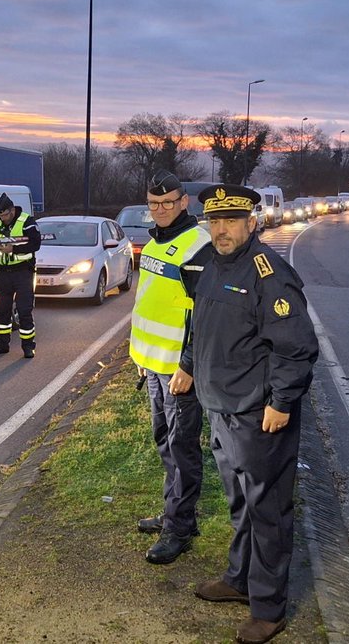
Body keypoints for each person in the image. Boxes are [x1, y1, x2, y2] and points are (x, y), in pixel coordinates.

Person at [170, 184, 319, 644]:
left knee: (268, 509)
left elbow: (296, 347)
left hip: (258, 415)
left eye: (231, 221)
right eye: (215, 221)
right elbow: (200, 325)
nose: (221, 229)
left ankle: (269, 608)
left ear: (251, 223)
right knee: (241, 503)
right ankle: (239, 579)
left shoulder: (268, 273)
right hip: (221, 409)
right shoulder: (212, 267)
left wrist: (281, 402)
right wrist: (188, 368)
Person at [128, 170, 213, 565]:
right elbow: (151, 302)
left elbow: (207, 315)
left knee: (181, 448)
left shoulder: (198, 246)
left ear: (185, 202)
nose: (161, 210)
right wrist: (143, 360)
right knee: (165, 442)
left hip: (179, 371)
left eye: (169, 202)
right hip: (153, 364)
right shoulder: (155, 241)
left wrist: (189, 365)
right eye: (154, 204)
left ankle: (178, 529)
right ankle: (176, 514)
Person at [0, 193, 41, 358]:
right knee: (3, 311)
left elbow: (35, 244)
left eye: (5, 215)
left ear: (12, 211)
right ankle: (2, 344)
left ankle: (28, 346)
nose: (2, 219)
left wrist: (14, 249)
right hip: (3, 274)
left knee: (24, 310)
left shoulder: (27, 222)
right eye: (0, 215)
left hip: (23, 273)